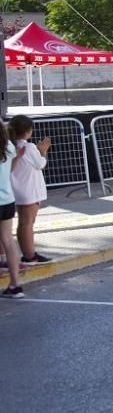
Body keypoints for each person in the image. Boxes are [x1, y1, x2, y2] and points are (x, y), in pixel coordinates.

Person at [9, 116, 52, 264]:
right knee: (27, 224)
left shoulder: (10, 146)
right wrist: (43, 151)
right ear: (28, 131)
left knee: (23, 223)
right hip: (29, 191)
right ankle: (29, 255)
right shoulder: (29, 147)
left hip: (18, 190)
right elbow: (40, 164)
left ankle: (28, 253)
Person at [0, 121, 25, 297]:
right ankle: (16, 284)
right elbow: (10, 170)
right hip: (7, 199)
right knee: (8, 240)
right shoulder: (8, 146)